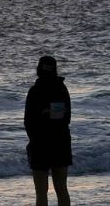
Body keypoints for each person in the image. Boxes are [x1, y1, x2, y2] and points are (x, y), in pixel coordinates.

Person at [24, 55, 72, 206]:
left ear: (38, 70)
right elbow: (66, 118)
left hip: (40, 144)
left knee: (41, 192)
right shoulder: (62, 90)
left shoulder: (34, 91)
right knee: (61, 189)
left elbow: (28, 122)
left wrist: (34, 139)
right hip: (61, 143)